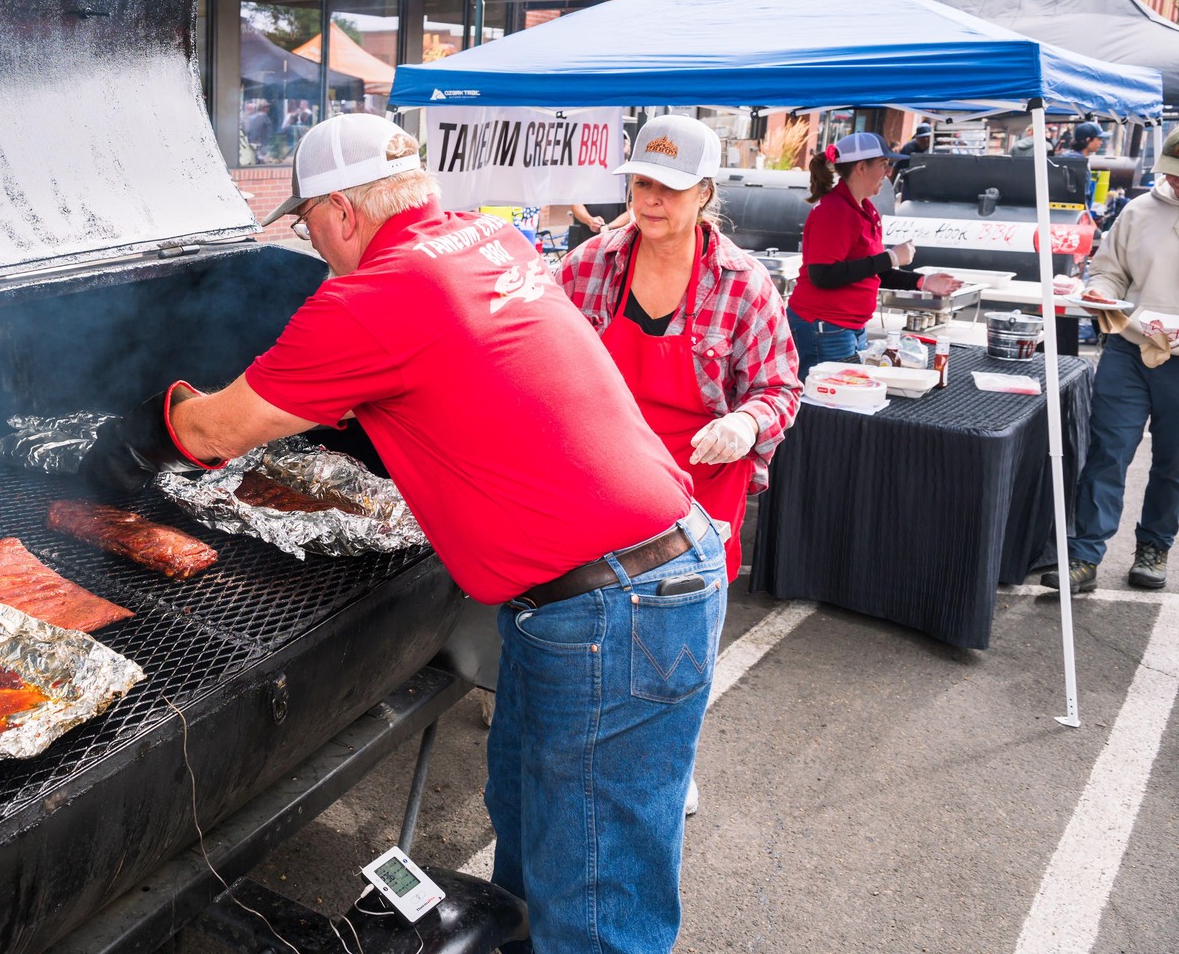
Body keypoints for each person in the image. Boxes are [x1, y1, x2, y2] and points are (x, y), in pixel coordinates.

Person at [82, 113, 727, 954]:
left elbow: (212, 433)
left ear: (343, 213)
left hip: (615, 609)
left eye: (310, 224)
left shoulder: (377, 298)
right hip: (615, 589)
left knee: (599, 912)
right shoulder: (487, 243)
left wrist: (139, 432)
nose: (313, 246)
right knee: (539, 855)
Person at [559, 116, 799, 586]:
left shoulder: (744, 285)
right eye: (642, 182)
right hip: (605, 482)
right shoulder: (588, 265)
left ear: (704, 193)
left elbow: (780, 389)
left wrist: (745, 423)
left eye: (670, 187)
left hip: (698, 492)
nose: (651, 199)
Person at [1044, 130, 1179, 594]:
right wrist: (1102, 291)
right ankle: (1084, 554)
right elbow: (1108, 269)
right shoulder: (1139, 210)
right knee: (1108, 451)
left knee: (1174, 463)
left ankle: (1155, 545)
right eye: (1172, 174)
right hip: (1129, 344)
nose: (1176, 183)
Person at [786, 132, 961, 376]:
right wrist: (890, 257)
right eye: (883, 165)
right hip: (824, 327)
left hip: (845, 327)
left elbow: (872, 270)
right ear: (861, 167)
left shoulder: (865, 209)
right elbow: (822, 275)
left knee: (844, 401)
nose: (889, 172)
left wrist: (923, 281)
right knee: (826, 405)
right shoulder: (834, 211)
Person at [565, 201, 632, 252]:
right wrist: (590, 221)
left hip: (616, 240)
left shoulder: (624, 183)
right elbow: (576, 205)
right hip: (585, 238)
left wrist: (610, 226)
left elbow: (633, 208)